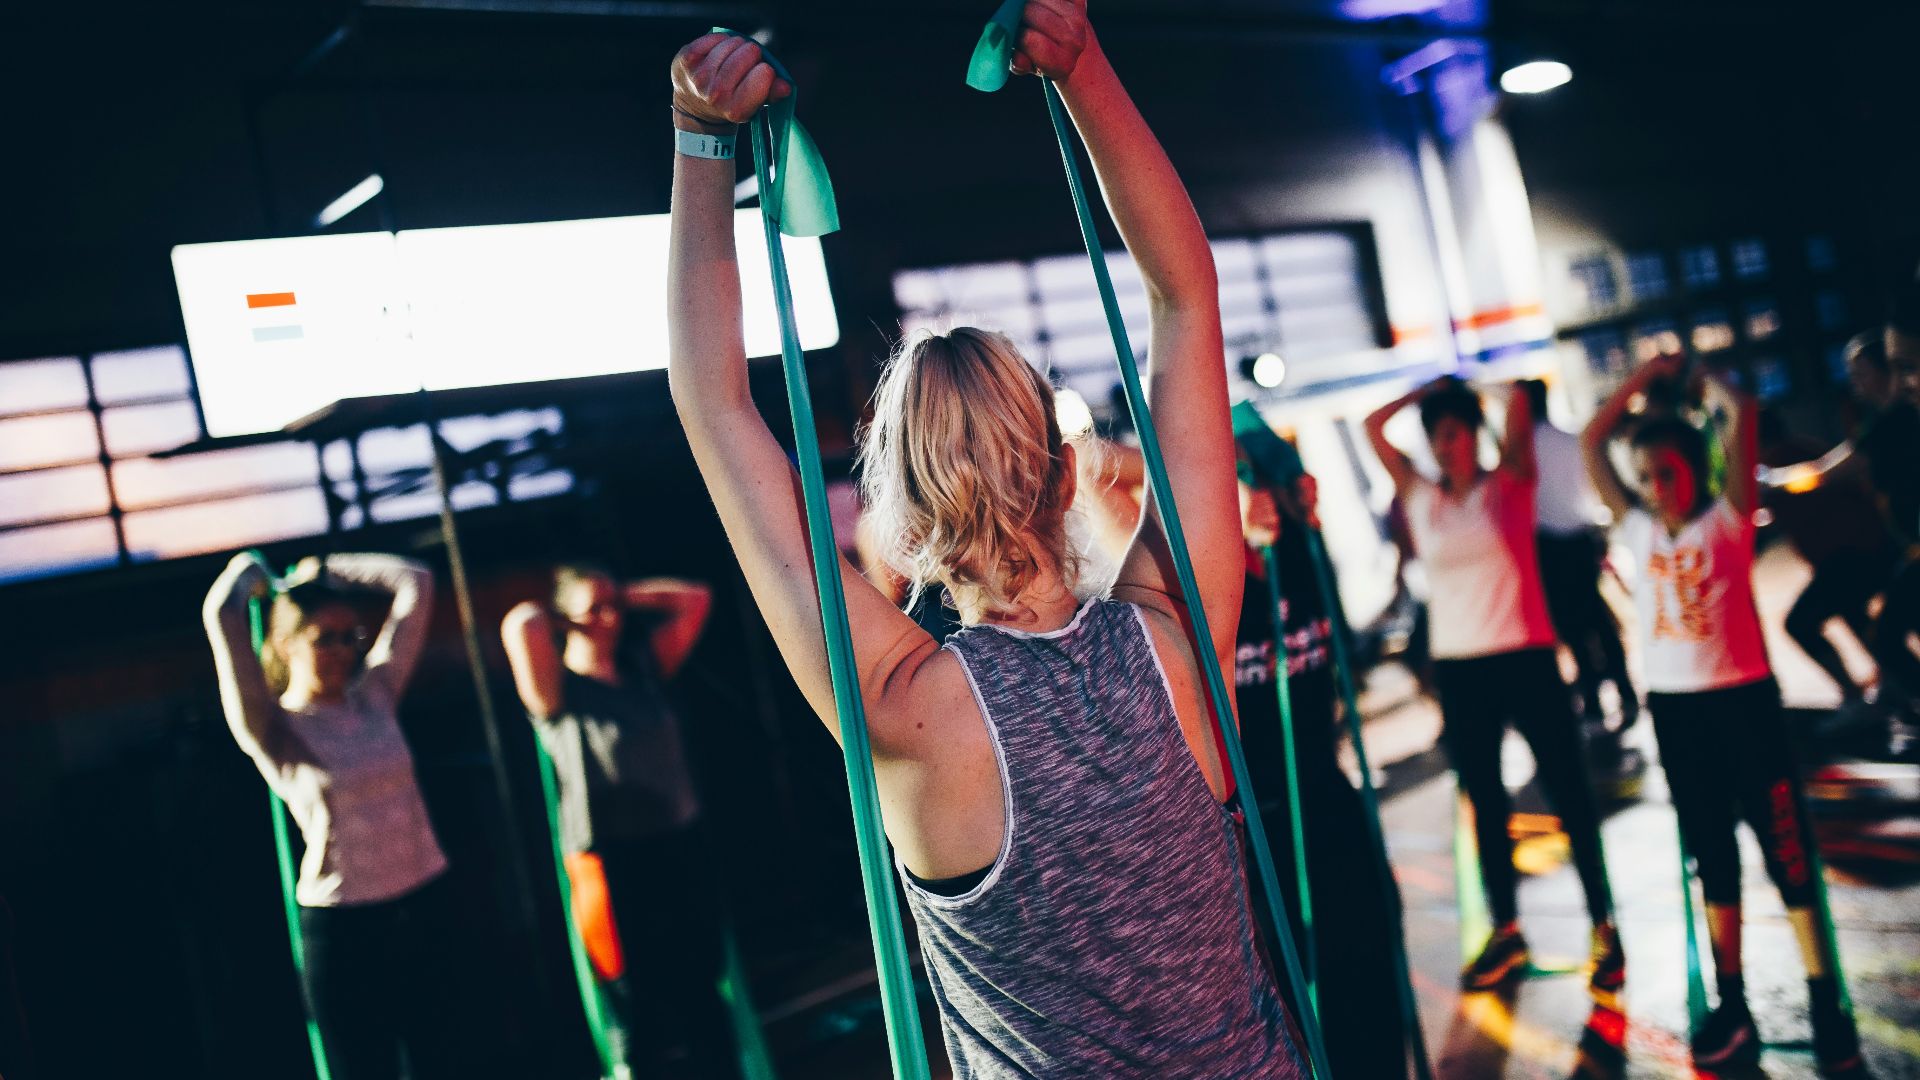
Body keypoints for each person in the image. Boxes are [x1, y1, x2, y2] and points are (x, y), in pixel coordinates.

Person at [665, 6, 1305, 1076]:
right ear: (1067, 478)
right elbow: (1185, 297)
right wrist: (1082, 65)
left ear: (901, 528)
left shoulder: (908, 707)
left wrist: (698, 142)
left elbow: (715, 408)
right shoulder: (1178, 634)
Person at [1582, 354, 1865, 1075]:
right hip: (1679, 715)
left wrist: (1695, 370)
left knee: (1786, 849)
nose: (1656, 489)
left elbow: (1738, 412)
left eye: (1668, 473)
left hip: (1745, 706)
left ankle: (1824, 996)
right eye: (1646, 478)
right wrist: (1640, 380)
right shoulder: (1639, 531)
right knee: (1713, 858)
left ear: (1696, 472)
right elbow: (1593, 441)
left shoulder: (1728, 519)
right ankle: (1733, 999)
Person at [1363, 376, 1622, 993]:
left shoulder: (1509, 485)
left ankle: (1604, 928)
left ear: (1476, 433)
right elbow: (1375, 424)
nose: (1444, 445)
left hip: (1527, 659)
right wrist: (1429, 388)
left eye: (1454, 431)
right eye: (1435, 435)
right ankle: (1507, 931)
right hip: (1462, 670)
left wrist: (1471, 386)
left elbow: (1521, 403)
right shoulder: (1420, 497)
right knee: (1485, 805)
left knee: (1571, 797)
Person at [202, 551, 461, 1080]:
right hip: (347, 928)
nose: (344, 651)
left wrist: (326, 569)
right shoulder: (273, 727)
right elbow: (221, 616)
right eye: (326, 638)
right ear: (285, 645)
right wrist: (245, 574)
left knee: (444, 1061)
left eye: (352, 638)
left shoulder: (377, 695)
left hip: (425, 903)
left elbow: (416, 582)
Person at [501, 567, 738, 1078]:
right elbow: (521, 624)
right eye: (595, 609)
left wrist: (619, 596)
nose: (609, 619)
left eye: (615, 608)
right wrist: (569, 613)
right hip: (608, 859)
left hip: (677, 847)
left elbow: (697, 597)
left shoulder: (644, 666)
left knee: (701, 986)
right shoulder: (557, 691)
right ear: (566, 618)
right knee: (632, 1001)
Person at [1233, 442, 1414, 1080]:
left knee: (1370, 948)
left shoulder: (1307, 558)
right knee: (1284, 990)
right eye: (1238, 484)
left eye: (1264, 482)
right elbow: (1096, 470)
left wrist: (1301, 513)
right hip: (1253, 825)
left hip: (1324, 794)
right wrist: (1222, 494)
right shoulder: (1200, 585)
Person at [1519, 379, 1639, 732]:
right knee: (1597, 618)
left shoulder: (1523, 450)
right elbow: (1590, 492)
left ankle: (1592, 701)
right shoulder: (1569, 440)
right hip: (1581, 538)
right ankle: (1625, 691)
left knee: (1572, 625)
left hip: (1549, 547)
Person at [1755, 406, 1894, 709]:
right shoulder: (1802, 447)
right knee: (1855, 616)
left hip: (1853, 556)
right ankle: (1892, 686)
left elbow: (1810, 482)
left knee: (1801, 622)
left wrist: (1769, 482)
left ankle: (1859, 697)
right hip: (1857, 554)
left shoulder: (1775, 464)